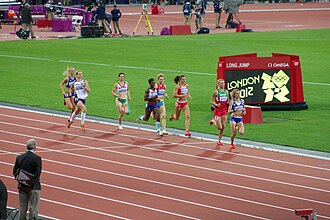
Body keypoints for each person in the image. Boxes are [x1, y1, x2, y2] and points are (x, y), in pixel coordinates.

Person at [13, 139, 42, 220]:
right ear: (35, 147)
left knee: (22, 208)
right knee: (33, 208)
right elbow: (38, 173)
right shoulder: (37, 159)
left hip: (22, 186)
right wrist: (29, 182)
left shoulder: (19, 157)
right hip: (34, 187)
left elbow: (15, 172)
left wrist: (22, 181)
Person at [209, 79, 230, 146]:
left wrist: (228, 102)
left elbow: (228, 100)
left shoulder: (226, 92)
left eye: (223, 83)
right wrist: (216, 104)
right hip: (218, 110)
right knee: (219, 127)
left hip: (224, 110)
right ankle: (213, 120)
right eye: (221, 83)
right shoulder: (216, 92)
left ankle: (219, 140)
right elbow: (211, 101)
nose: (222, 85)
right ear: (218, 84)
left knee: (223, 126)